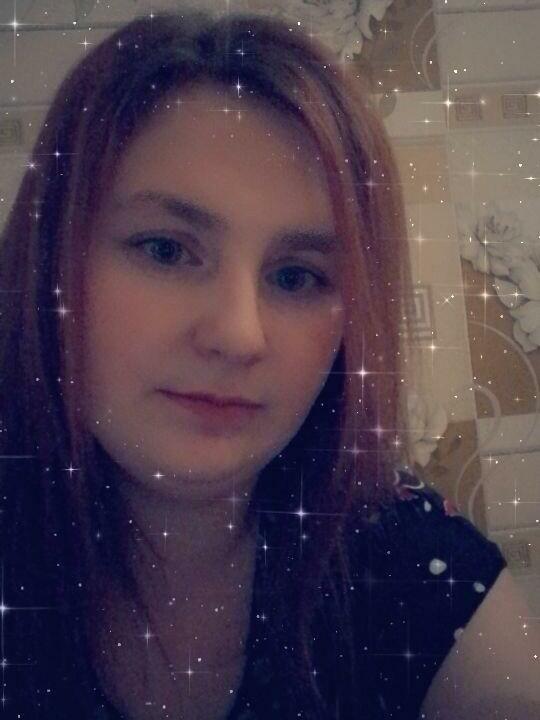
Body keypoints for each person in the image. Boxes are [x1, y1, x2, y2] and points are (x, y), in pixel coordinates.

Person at [0, 7, 538, 720]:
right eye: (166, 249)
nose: (239, 336)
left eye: (296, 276)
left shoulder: (415, 566)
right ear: (51, 263)